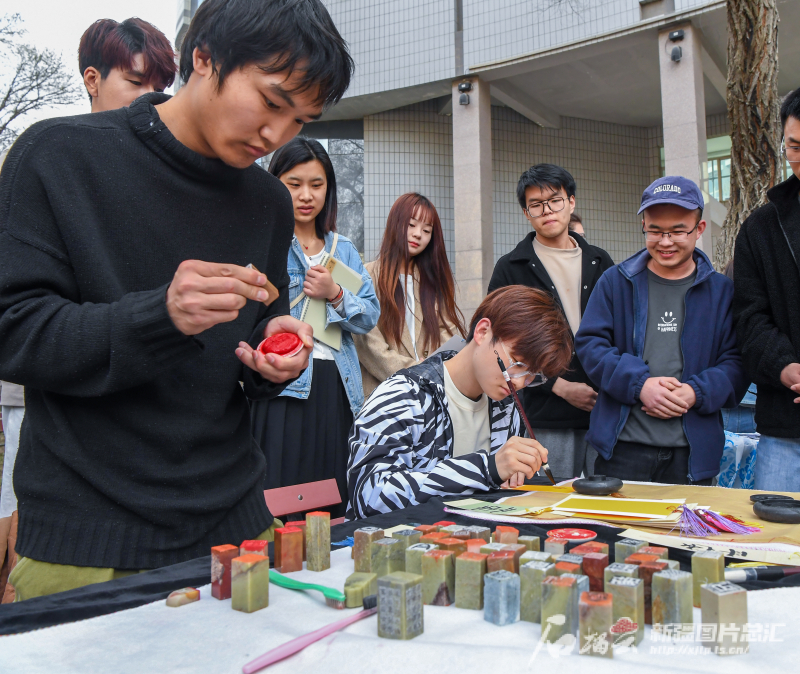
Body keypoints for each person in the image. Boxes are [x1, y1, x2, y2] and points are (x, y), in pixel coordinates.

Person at [0, 0, 353, 601]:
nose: (278, 136)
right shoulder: (57, 154)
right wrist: (158, 315)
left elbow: (252, 332)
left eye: (301, 120)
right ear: (204, 58)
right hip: (88, 539)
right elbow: (13, 333)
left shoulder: (266, 201)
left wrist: (274, 355)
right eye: (271, 102)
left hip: (239, 528)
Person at [346, 285, 573, 520]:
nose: (520, 382)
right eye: (517, 363)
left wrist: (512, 473)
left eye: (533, 376)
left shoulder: (505, 406)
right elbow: (369, 496)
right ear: (483, 331)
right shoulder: (403, 396)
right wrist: (488, 469)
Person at [576, 177, 747, 485]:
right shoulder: (616, 282)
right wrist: (639, 384)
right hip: (622, 450)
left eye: (678, 231)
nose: (665, 241)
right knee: (618, 533)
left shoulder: (722, 291)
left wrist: (697, 392)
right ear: (644, 225)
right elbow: (590, 346)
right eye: (655, 230)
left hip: (693, 456)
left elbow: (737, 362)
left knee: (685, 534)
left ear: (700, 229)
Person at [250, 138, 379, 517]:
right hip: (283, 381)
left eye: (317, 184)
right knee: (279, 489)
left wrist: (336, 292)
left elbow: (370, 315)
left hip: (335, 383)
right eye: (294, 183)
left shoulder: (345, 251)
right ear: (275, 184)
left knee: (330, 489)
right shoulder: (265, 243)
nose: (306, 195)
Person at [488, 164, 613, 479]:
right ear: (526, 213)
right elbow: (497, 346)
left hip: (603, 411)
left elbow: (621, 333)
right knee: (546, 504)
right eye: (536, 205)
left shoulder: (601, 262)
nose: (547, 211)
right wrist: (558, 386)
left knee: (605, 508)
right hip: (544, 416)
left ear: (571, 202)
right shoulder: (510, 268)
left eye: (555, 201)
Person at [733, 87, 800, 490]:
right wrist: (786, 367)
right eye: (794, 146)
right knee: (773, 550)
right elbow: (749, 317)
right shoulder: (761, 227)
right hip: (786, 429)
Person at [354, 193, 465, 397]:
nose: (417, 234)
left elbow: (448, 333)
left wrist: (438, 368)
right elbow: (368, 342)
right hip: (385, 395)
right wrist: (416, 371)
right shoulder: (367, 275)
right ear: (395, 223)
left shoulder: (432, 282)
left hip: (430, 396)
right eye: (411, 225)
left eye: (426, 230)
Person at [79, 18, 177, 113]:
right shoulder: (65, 129)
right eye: (136, 82)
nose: (151, 99)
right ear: (92, 80)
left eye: (159, 90)